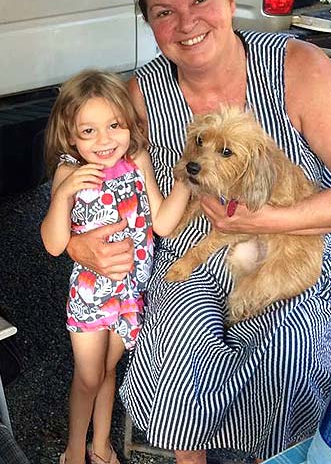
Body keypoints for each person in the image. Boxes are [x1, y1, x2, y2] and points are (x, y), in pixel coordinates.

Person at [65, 0, 331, 463]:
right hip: (191, 254)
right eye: (164, 12)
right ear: (149, 24)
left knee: (286, 351)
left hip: (294, 247)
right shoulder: (141, 92)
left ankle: (277, 453)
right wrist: (77, 244)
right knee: (178, 344)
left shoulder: (295, 67)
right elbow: (89, 166)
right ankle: (191, 455)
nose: (186, 22)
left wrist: (273, 219)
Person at [40, 70, 190, 464]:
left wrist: (187, 180)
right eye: (88, 131)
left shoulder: (138, 161)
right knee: (88, 376)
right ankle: (75, 450)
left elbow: (162, 222)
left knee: (108, 370)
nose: (104, 140)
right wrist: (63, 196)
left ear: (129, 125)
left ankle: (102, 446)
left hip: (131, 292)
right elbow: (53, 244)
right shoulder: (70, 172)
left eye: (114, 126)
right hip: (91, 294)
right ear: (70, 136)